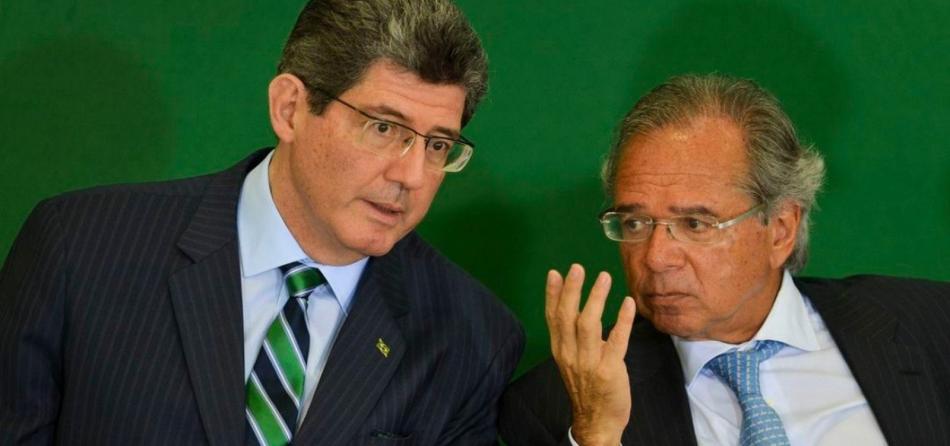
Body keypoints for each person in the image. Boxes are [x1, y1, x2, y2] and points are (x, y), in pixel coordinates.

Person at [0, 1, 524, 444]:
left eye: (437, 145)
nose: (411, 175)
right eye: (384, 128)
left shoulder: (471, 338)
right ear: (290, 108)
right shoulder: (80, 247)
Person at [498, 74, 950, 445]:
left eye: (695, 224)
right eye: (635, 223)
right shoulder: (558, 408)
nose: (656, 257)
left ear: (781, 229)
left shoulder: (931, 326)